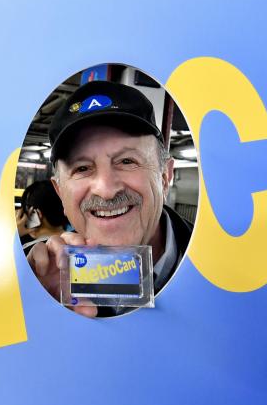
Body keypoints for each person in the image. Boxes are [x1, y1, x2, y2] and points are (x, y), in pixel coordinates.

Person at [26, 80, 193, 317]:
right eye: (82, 168)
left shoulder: (227, 271)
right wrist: (40, 315)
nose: (106, 190)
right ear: (60, 191)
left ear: (165, 176)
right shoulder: (28, 279)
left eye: (127, 161)